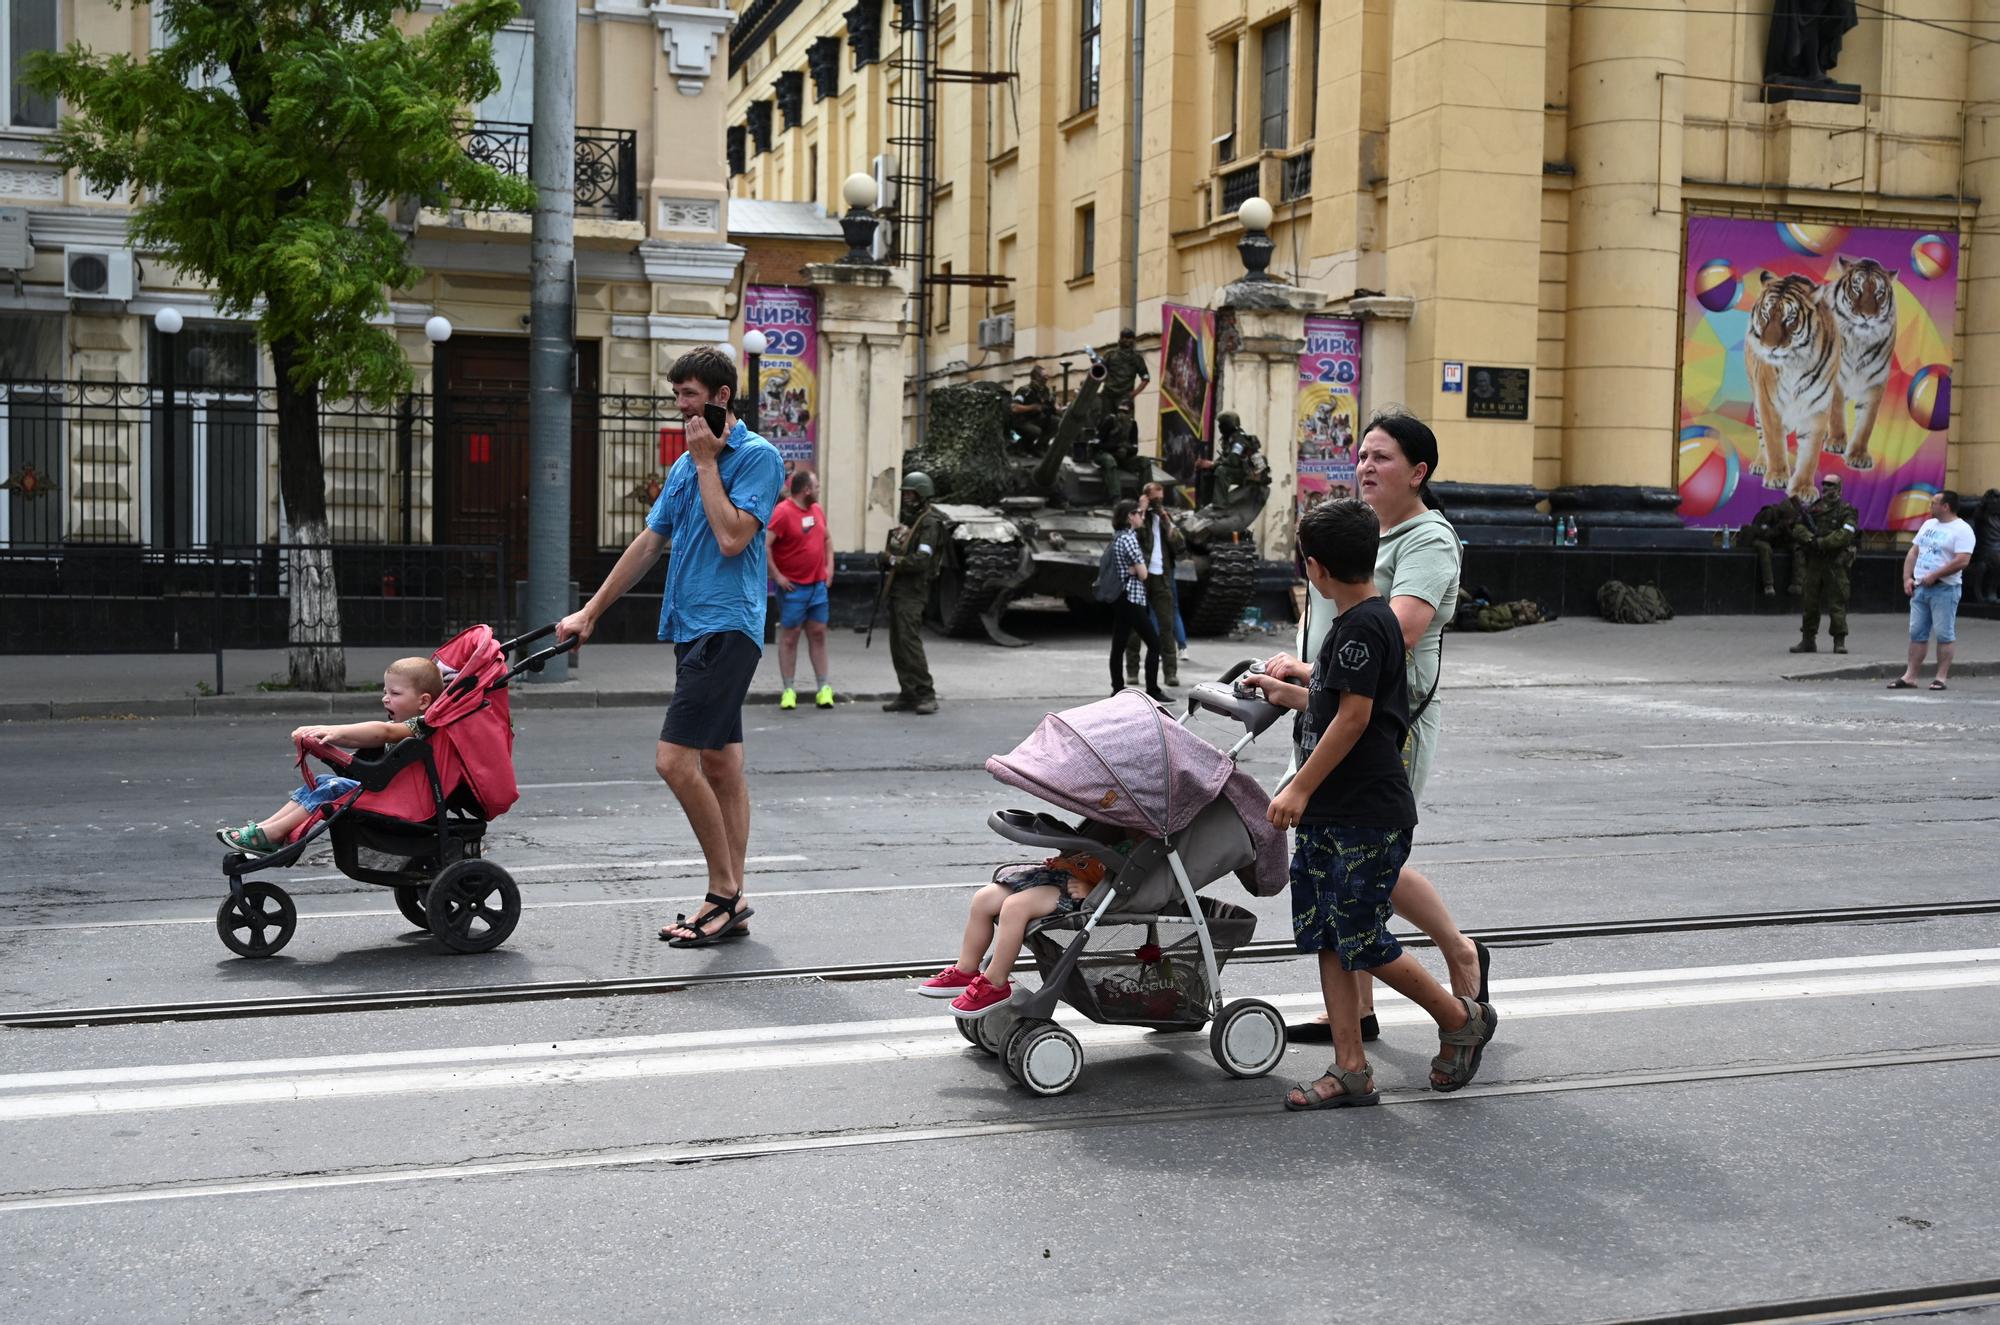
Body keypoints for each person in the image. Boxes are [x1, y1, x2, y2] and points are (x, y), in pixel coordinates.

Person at [1247, 498, 1498, 1107]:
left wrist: (1299, 784)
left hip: (1364, 810)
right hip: (1335, 810)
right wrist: (1287, 691)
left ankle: (1459, 1016)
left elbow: (1355, 720)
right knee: (1328, 934)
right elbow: (1337, 705)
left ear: (1315, 568)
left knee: (1358, 934)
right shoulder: (1363, 619)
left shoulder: (1360, 628)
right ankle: (1350, 1068)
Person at [557, 346, 784, 948]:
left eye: (688, 395)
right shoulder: (686, 465)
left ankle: (722, 893)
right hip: (689, 626)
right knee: (722, 764)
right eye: (677, 394)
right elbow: (649, 542)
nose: (679, 406)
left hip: (727, 626)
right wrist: (591, 611)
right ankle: (732, 898)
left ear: (721, 396)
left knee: (672, 760)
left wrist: (709, 463)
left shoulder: (756, 457)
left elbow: (734, 538)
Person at [1280, 409, 1486, 1043]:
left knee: (1367, 854)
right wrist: (1296, 676)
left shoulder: (1428, 540)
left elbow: (1397, 631)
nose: (1367, 467)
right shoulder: (1357, 531)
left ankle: (1458, 951)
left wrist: (1312, 671)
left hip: (1387, 723)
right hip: (1328, 704)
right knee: (1344, 859)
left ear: (1418, 472)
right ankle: (1356, 1012)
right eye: (1363, 455)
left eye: (1384, 457)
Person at [214, 657, 444, 854]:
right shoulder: (403, 723)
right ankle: (267, 829)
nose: (385, 698)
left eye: (395, 693)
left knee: (332, 788)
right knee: (322, 783)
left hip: (403, 802)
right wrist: (322, 735)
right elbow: (362, 738)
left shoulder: (421, 725)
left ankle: (271, 834)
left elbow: (381, 732)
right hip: (393, 794)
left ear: (423, 701)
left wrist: (331, 731)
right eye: (385, 692)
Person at [915, 845, 1131, 1017]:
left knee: (1014, 908)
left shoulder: (1146, 837)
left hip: (1086, 892)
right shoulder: (1113, 821)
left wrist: (1094, 891)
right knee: (983, 899)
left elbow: (1135, 883)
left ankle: (995, 983)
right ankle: (966, 969)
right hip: (1060, 873)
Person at [1892, 489, 1976, 691]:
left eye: (1934, 503)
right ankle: (1910, 676)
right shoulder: (1929, 524)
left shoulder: (1962, 530)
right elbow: (1914, 551)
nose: (1930, 506)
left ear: (1946, 506)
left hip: (1945, 589)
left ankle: (1941, 677)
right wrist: (1907, 578)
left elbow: (1962, 560)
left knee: (1944, 634)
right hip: (1920, 588)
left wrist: (1936, 575)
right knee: (1917, 633)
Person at [767, 467, 836, 711]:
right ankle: (788, 690)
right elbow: (765, 545)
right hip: (794, 588)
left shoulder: (816, 509)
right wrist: (777, 576)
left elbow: (827, 540)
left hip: (817, 586)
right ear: (806, 490)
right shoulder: (782, 513)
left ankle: (824, 689)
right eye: (816, 487)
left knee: (818, 633)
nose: (818, 490)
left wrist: (830, 567)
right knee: (790, 637)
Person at [883, 471, 947, 715]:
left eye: (911, 493)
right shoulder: (913, 519)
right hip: (900, 591)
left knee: (909, 644)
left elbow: (921, 560)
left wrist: (891, 560)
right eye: (905, 493)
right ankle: (907, 692)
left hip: (913, 592)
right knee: (898, 644)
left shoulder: (930, 523)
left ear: (922, 494)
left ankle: (925, 693)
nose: (907, 498)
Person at [1107, 498, 1170, 702]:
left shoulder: (1117, 537)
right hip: (1132, 597)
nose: (1142, 517)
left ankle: (1117, 687)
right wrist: (1136, 568)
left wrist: (1131, 568)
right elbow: (1143, 574)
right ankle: (1152, 689)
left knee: (1118, 645)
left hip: (1121, 596)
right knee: (1154, 643)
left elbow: (1127, 568)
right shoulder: (1130, 539)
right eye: (1139, 513)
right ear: (1129, 517)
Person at [1123, 482, 1184, 689]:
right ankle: (1132, 671)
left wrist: (1165, 517)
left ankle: (1170, 673)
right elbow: (1134, 536)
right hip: (1142, 578)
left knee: (1166, 626)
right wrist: (1141, 509)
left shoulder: (1165, 518)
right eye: (1154, 498)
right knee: (1135, 627)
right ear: (1146, 497)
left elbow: (1180, 544)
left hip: (1162, 578)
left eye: (1161, 498)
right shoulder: (1140, 519)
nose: (1158, 502)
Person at [1789, 473, 1858, 655]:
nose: (1826, 488)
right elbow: (1797, 527)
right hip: (1814, 563)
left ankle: (1839, 641)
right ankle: (1808, 640)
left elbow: (1846, 533)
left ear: (1839, 489)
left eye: (1831, 485)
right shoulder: (1813, 508)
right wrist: (1810, 539)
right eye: (1824, 485)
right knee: (1809, 602)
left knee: (1837, 603)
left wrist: (1824, 543)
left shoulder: (1846, 510)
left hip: (1835, 563)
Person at [1740, 495, 1806, 598]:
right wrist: (1779, 527)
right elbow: (1762, 534)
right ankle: (1768, 585)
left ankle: (1797, 584)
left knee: (1798, 548)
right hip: (1760, 539)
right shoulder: (1769, 513)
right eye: (1789, 519)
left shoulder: (1791, 519)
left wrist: (1789, 531)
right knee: (1765, 548)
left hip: (1777, 540)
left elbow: (1790, 537)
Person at [1092, 399, 1150, 502]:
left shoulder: (1133, 425)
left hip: (1123, 457)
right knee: (1110, 461)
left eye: (1125, 412)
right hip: (1105, 454)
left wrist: (1127, 449)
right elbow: (1097, 445)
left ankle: (1146, 497)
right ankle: (1116, 498)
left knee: (1144, 461)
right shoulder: (1110, 421)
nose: (1121, 414)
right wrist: (1117, 447)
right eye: (1119, 411)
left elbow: (1135, 448)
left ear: (1131, 413)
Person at [1211, 415, 1270, 507]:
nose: (1219, 427)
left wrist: (1214, 464)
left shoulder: (1239, 439)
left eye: (1221, 425)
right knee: (1210, 471)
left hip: (1251, 474)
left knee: (1221, 471)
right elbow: (1226, 456)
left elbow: (1234, 460)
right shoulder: (1230, 438)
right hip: (1244, 471)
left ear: (1228, 425)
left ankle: (1220, 505)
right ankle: (1208, 503)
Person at [1009, 363, 1058, 452]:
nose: (1046, 378)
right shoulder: (1024, 390)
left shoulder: (1045, 391)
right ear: (1036, 377)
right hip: (1022, 421)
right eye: (1044, 376)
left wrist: (1055, 407)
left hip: (1036, 419)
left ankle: (1039, 447)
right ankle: (1022, 446)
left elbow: (1048, 405)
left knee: (1056, 422)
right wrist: (1032, 407)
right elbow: (1014, 407)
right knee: (1036, 431)